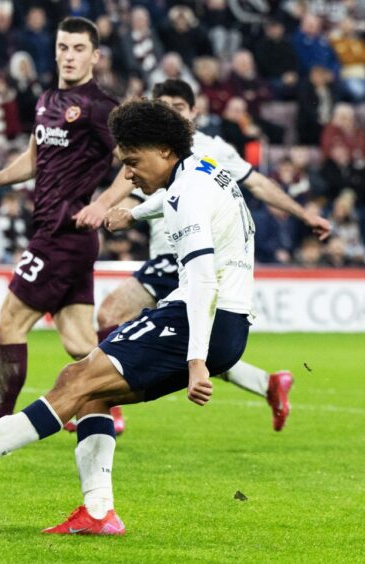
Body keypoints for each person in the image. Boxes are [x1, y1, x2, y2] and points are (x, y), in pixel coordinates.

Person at [0, 99, 254, 535]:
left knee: (75, 381)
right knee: (93, 395)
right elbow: (176, 202)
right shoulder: (202, 167)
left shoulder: (186, 195)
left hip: (200, 319)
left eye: (133, 161)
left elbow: (201, 280)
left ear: (163, 150)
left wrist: (196, 360)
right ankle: (99, 511)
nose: (127, 174)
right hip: (228, 325)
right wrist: (135, 212)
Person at [93, 79, 331, 432]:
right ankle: (267, 383)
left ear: (194, 112)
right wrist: (120, 209)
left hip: (188, 257)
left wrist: (304, 214)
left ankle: (105, 404)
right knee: (193, 340)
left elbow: (259, 184)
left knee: (111, 313)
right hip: (168, 256)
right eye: (163, 106)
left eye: (178, 107)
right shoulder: (149, 150)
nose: (171, 112)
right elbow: (129, 185)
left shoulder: (212, 150)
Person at [0, 17, 133, 423]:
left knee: (9, 325)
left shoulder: (100, 107)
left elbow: (134, 164)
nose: (69, 56)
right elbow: (33, 158)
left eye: (79, 49)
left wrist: (103, 203)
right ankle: (111, 405)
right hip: (65, 237)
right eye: (63, 47)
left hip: (62, 235)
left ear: (95, 56)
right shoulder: (46, 100)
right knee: (79, 341)